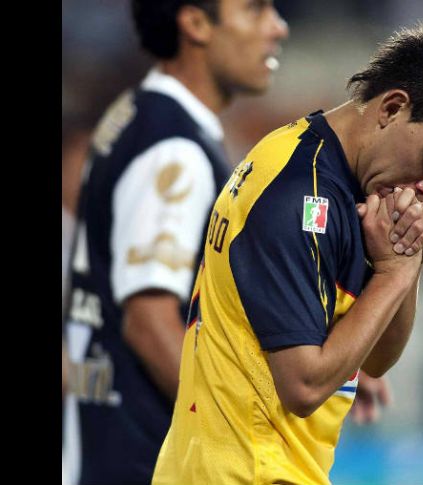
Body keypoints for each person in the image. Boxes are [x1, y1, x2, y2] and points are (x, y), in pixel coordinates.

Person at [152, 18, 423, 485]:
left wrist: (407, 264)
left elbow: (374, 358)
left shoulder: (332, 173)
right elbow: (304, 385)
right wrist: (393, 274)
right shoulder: (300, 199)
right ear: (392, 107)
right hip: (247, 472)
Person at [62, 1, 289, 484]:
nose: (277, 28)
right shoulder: (173, 149)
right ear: (196, 23)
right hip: (142, 461)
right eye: (255, 11)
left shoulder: (138, 114)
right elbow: (148, 322)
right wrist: (245, 442)